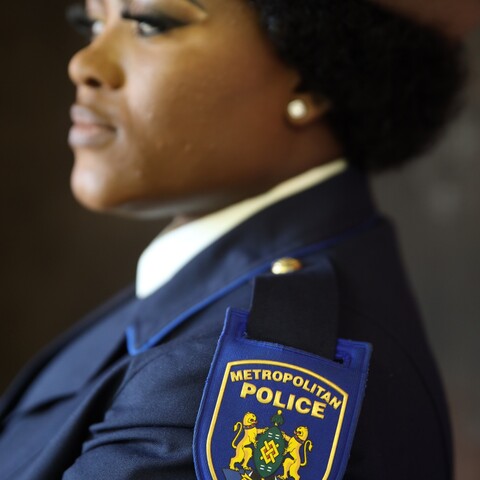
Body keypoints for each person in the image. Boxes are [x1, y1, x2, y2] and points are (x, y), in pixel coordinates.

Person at [0, 0, 471, 478]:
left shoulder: (229, 380)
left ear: (311, 76)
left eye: (150, 24)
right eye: (94, 24)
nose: (83, 63)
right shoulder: (208, 284)